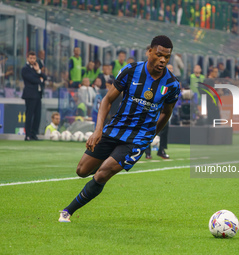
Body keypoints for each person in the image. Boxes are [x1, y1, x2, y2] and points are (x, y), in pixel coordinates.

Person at [58, 35, 180, 222]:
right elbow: (107, 100)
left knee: (103, 173)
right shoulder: (131, 71)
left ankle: (67, 211)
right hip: (115, 129)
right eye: (159, 55)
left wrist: (151, 134)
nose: (163, 60)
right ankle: (106, 160)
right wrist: (98, 130)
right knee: (82, 171)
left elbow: (167, 112)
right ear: (149, 52)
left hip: (138, 138)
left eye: (167, 57)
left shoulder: (172, 84)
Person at [144, 64, 174, 160]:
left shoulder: (172, 82)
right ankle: (147, 152)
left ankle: (161, 150)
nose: (170, 71)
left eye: (172, 69)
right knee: (148, 129)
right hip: (153, 108)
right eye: (169, 69)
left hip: (164, 109)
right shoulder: (158, 79)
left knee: (164, 130)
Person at [21, 51, 47, 141]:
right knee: (29, 115)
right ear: (27, 58)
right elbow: (32, 79)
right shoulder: (25, 69)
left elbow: (45, 77)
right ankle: (27, 135)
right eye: (31, 58)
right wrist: (40, 79)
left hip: (38, 95)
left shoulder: (36, 68)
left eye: (34, 58)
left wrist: (38, 71)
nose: (32, 60)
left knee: (37, 115)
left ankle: (34, 134)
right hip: (30, 95)